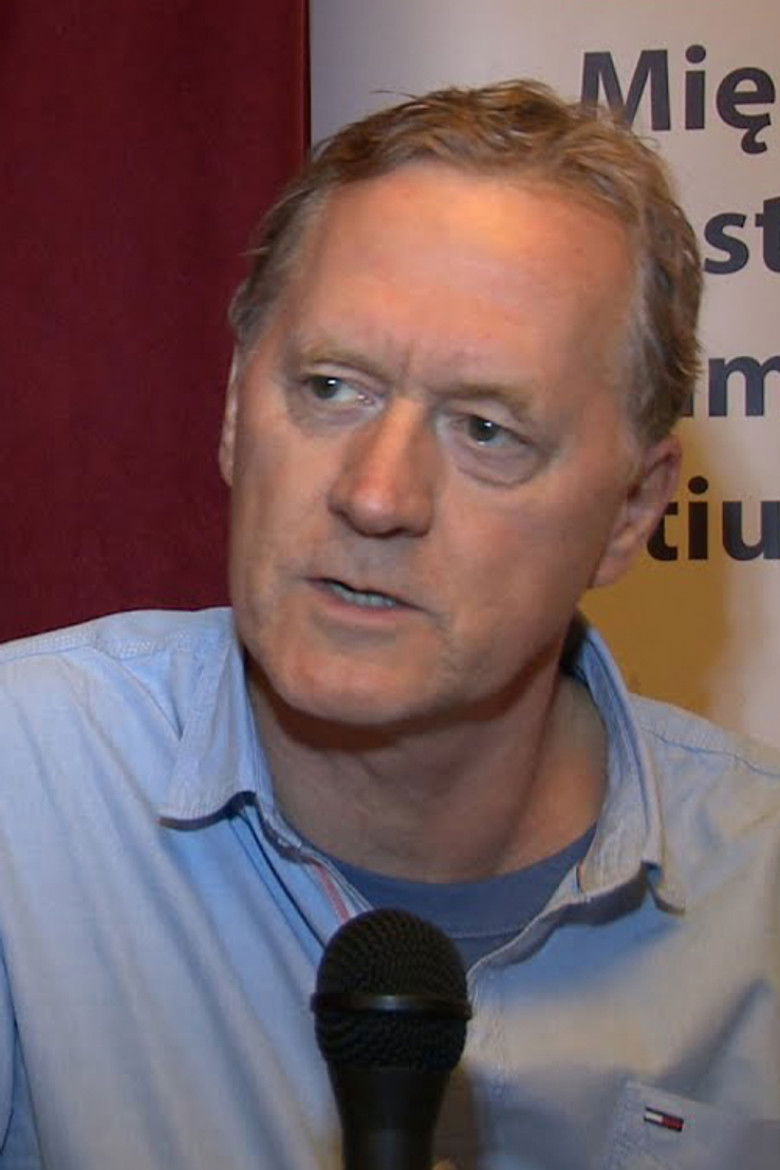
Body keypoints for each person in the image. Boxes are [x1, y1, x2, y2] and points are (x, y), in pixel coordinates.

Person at [1, 79, 779, 1170]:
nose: (376, 495)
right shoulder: (25, 796)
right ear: (233, 413)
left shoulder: (758, 904)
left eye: (487, 430)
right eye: (332, 387)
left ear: (630, 514)